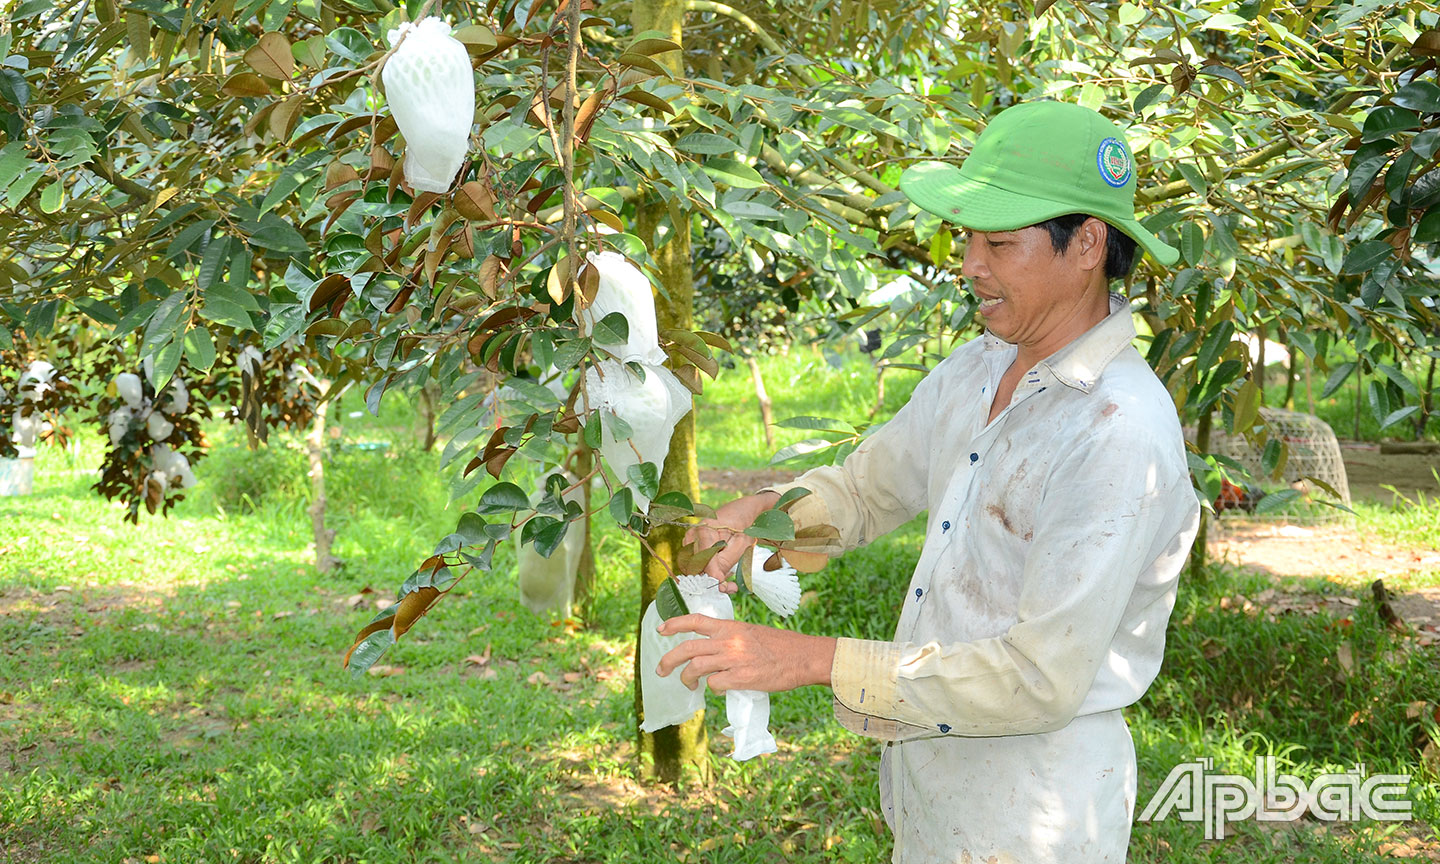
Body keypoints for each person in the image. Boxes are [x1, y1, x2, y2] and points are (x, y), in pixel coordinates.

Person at [654, 100, 1203, 863]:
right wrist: (771, 518)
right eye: (968, 239)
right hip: (933, 784)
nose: (970, 264)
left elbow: (1038, 679)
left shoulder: (1119, 431)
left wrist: (809, 659)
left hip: (1035, 810)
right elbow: (868, 488)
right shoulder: (979, 368)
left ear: (1087, 244)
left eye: (999, 243)